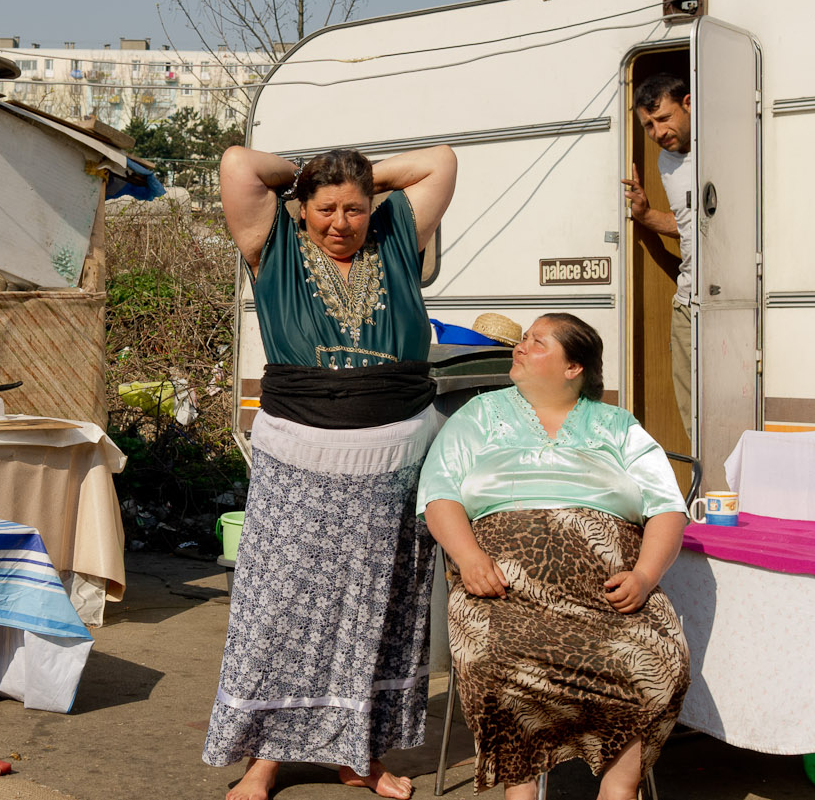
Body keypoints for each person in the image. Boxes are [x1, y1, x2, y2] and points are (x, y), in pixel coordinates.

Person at [203, 143, 457, 800]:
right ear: (301, 208)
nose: (341, 221)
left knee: (379, 607)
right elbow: (238, 163)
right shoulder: (273, 241)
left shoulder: (397, 234)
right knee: (280, 608)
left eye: (354, 207)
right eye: (325, 208)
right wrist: (313, 169)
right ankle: (264, 761)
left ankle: (357, 754)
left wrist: (362, 174)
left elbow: (441, 161)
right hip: (300, 458)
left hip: (394, 462)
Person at [418, 313, 691, 800]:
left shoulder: (615, 424)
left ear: (573, 368)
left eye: (537, 343)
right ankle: (520, 791)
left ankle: (618, 789)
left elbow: (668, 507)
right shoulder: (479, 415)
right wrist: (469, 557)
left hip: (607, 596)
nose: (520, 347)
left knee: (660, 658)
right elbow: (439, 493)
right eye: (523, 339)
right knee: (492, 656)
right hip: (504, 587)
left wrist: (646, 576)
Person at [620, 72, 696, 440]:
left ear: (689, 104)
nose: (657, 132)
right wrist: (645, 215)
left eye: (663, 119)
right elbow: (688, 224)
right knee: (692, 409)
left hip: (728, 301)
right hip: (688, 303)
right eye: (648, 125)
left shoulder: (719, 148)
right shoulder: (667, 161)